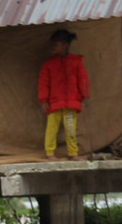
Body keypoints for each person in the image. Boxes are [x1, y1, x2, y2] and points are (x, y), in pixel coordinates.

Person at [38, 28, 91, 161]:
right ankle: (50, 153)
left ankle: (73, 153)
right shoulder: (48, 64)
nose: (53, 45)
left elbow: (83, 80)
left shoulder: (76, 62)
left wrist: (84, 96)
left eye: (57, 43)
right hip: (55, 103)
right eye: (53, 42)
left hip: (71, 102)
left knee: (71, 130)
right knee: (52, 129)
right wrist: (43, 100)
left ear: (66, 45)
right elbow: (43, 83)